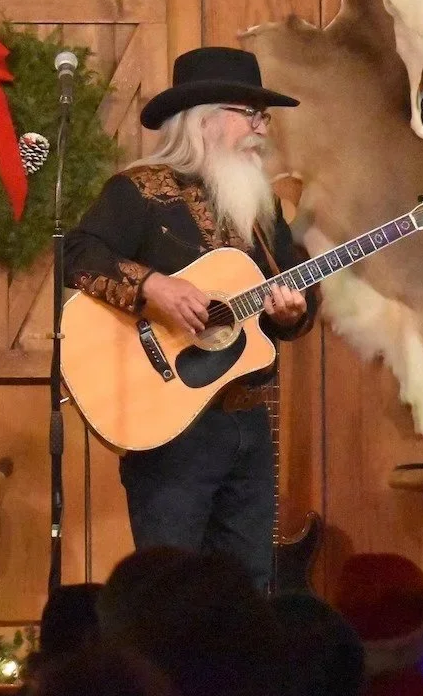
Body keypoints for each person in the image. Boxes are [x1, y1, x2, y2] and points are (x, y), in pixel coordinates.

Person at [62, 47, 316, 591]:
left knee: (248, 591)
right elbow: (77, 254)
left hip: (248, 423)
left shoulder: (262, 207)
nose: (261, 129)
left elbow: (292, 299)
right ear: (204, 120)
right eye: (249, 114)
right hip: (169, 426)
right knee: (170, 591)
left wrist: (294, 312)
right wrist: (152, 286)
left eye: (263, 117)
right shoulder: (139, 192)